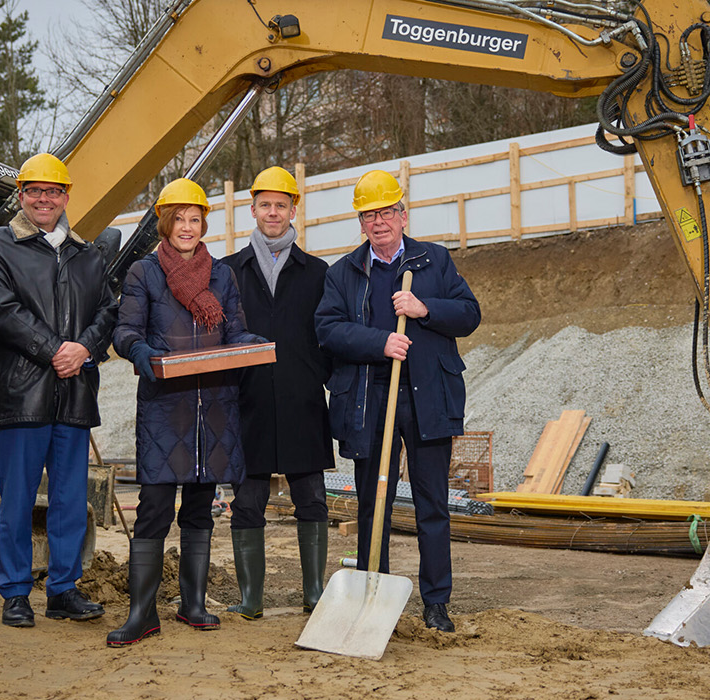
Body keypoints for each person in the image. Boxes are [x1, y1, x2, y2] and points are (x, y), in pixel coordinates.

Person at [315, 169, 480, 633]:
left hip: (428, 399)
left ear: (402, 215)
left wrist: (425, 310)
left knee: (433, 505)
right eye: (370, 214)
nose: (379, 221)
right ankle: (373, 591)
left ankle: (436, 603)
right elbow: (327, 329)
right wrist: (380, 342)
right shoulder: (344, 272)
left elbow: (470, 314)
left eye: (387, 211)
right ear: (361, 222)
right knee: (374, 504)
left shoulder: (435, 262)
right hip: (371, 401)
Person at [107, 178, 265, 646]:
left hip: (214, 408)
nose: (188, 228)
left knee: (200, 507)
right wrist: (142, 354)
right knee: (154, 508)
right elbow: (125, 331)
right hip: (165, 408)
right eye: (179, 219)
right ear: (165, 222)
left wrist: (253, 345)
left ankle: (192, 604)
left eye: (195, 220)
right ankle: (142, 613)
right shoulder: (144, 273)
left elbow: (234, 332)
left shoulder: (222, 275)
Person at [0, 153, 118, 628]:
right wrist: (56, 350)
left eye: (52, 191)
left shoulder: (87, 255)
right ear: (21, 196)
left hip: (73, 394)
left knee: (70, 501)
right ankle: (15, 592)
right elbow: (3, 310)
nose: (43, 199)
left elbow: (106, 313)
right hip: (23, 393)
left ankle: (62, 589)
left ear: (66, 197)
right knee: (16, 499)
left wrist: (84, 350)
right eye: (34, 190)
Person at [224, 167, 332, 619]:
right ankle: (251, 599)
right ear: (252, 210)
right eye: (265, 205)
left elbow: (329, 334)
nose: (273, 212)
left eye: (281, 205)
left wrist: (315, 376)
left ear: (294, 211)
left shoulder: (319, 273)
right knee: (248, 502)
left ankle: (314, 595)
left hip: (301, 400)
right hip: (246, 404)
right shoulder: (228, 271)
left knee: (312, 499)